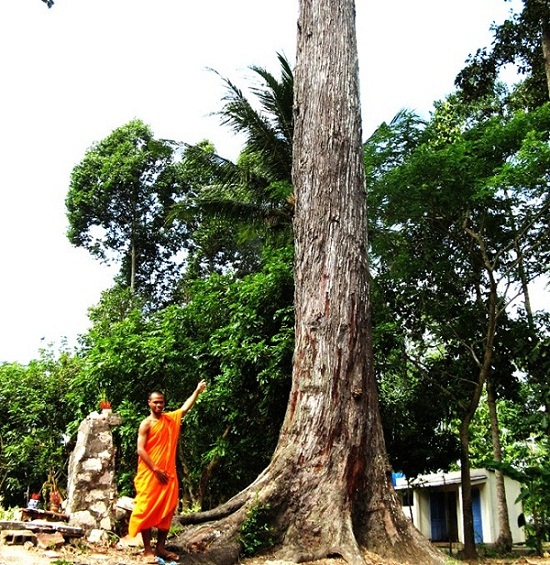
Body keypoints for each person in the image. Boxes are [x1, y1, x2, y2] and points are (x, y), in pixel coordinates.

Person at [128, 380, 207, 563]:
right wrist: (155, 469)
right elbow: (140, 449)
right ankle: (148, 550)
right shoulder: (146, 424)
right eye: (155, 402)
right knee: (145, 508)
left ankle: (160, 548)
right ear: (149, 403)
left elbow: (184, 408)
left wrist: (196, 391)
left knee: (168, 509)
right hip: (150, 473)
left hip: (168, 474)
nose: (158, 405)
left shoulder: (169, 419)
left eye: (161, 402)